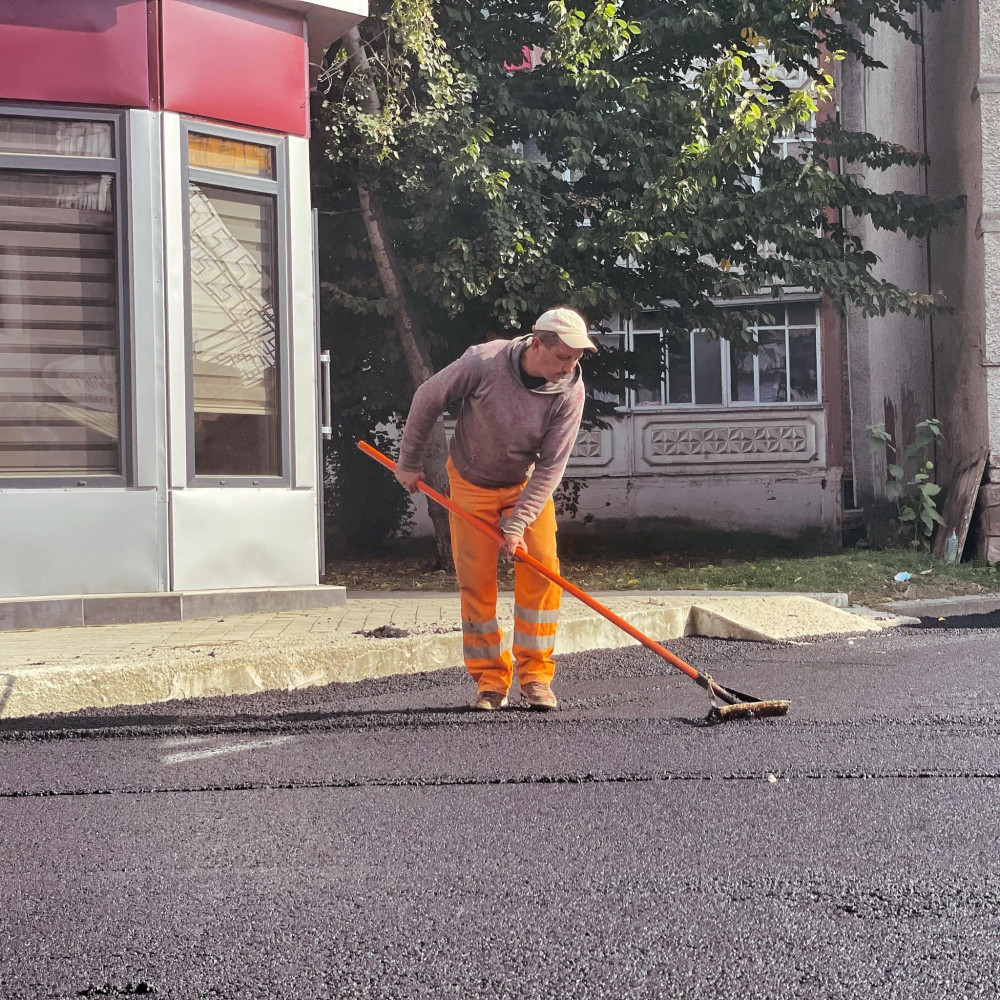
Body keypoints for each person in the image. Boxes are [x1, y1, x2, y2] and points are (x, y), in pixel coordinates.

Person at [395, 307, 596, 711]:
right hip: (471, 482)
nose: (570, 366)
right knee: (476, 581)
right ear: (537, 344)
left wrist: (518, 522)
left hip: (525, 485)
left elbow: (552, 465)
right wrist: (410, 461)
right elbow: (428, 397)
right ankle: (489, 680)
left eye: (576, 358)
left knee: (542, 569)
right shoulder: (484, 362)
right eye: (562, 356)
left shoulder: (570, 389)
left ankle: (536, 676)